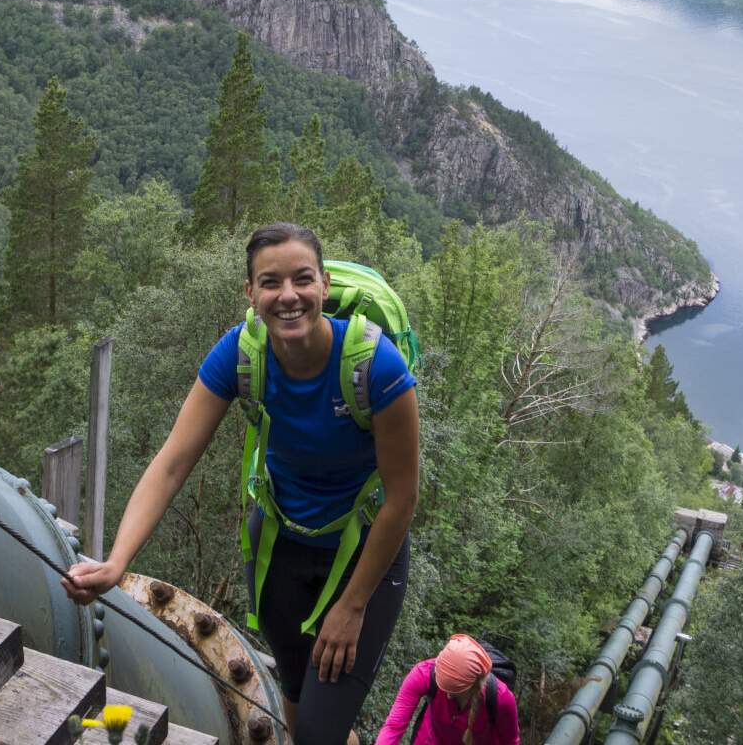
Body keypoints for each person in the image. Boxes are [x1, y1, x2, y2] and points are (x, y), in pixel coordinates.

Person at [63, 222, 421, 745]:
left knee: (322, 733)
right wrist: (116, 563)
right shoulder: (240, 354)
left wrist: (352, 605)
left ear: (323, 284)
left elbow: (402, 497)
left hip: (366, 557)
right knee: (295, 696)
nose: (288, 296)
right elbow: (172, 462)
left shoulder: (375, 367)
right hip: (280, 551)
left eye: (302, 279)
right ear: (250, 294)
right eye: (270, 283)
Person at [375, 635, 520, 745]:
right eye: (443, 688)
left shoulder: (501, 698)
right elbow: (393, 727)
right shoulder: (423, 674)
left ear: (472, 685)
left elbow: (511, 742)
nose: (448, 697)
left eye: (454, 691)